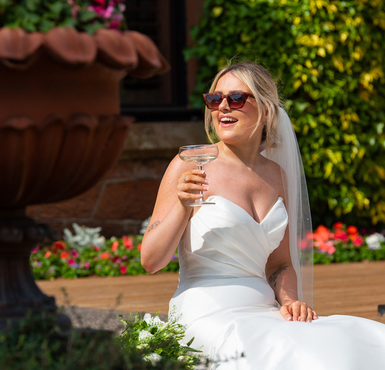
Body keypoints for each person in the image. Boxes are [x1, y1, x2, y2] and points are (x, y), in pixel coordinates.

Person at [141, 61, 385, 370]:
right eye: (214, 99)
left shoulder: (277, 175)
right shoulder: (190, 164)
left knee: (356, 340)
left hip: (266, 309)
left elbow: (280, 265)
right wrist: (182, 205)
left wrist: (290, 300)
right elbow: (151, 261)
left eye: (237, 98)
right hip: (207, 312)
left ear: (266, 110)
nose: (223, 107)